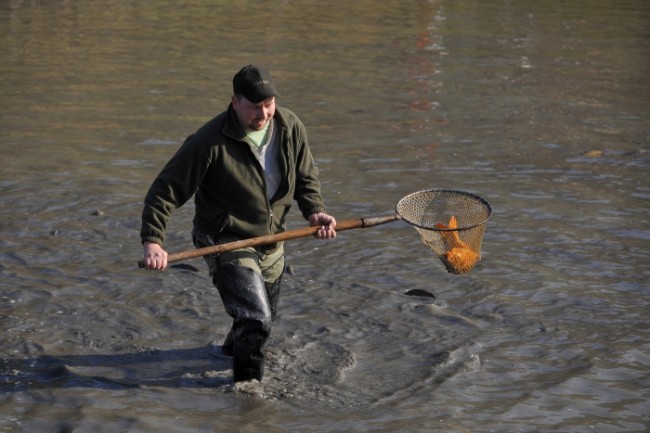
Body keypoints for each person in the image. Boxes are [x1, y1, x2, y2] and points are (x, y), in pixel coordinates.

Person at [140, 65, 337, 383]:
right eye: (254, 106)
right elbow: (165, 190)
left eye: (269, 104)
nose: (264, 113)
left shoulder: (289, 126)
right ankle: (248, 398)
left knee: (260, 321)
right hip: (224, 238)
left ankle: (229, 354)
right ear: (234, 102)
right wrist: (153, 241)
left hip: (272, 239)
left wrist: (315, 211)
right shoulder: (208, 141)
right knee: (256, 319)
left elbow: (306, 176)